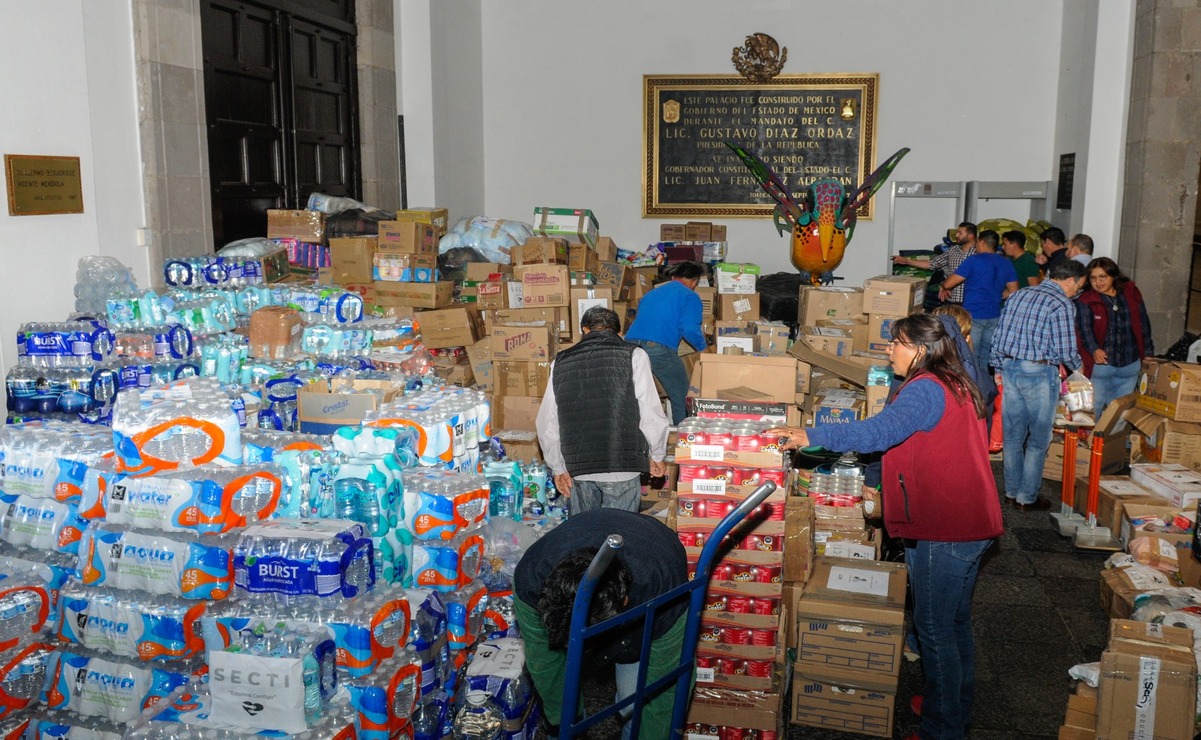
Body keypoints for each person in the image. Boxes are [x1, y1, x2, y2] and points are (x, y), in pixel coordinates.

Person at [765, 313, 1002, 740]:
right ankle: (949, 704)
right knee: (953, 623)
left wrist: (810, 435)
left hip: (947, 526)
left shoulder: (926, 388)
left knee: (934, 630)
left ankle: (942, 729)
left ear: (921, 350)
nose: (888, 349)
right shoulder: (952, 379)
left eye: (897, 343)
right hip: (966, 519)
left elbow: (880, 431)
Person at [514, 508, 689, 740]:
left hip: (651, 565)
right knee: (562, 714)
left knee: (634, 707)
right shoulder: (531, 579)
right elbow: (546, 666)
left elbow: (666, 691)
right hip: (582, 537)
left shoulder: (664, 588)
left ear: (625, 602)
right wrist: (566, 724)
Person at [537, 306, 669, 515]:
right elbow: (650, 411)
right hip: (622, 466)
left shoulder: (560, 361)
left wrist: (558, 467)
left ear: (585, 330)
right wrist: (658, 453)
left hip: (579, 468)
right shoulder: (634, 355)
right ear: (619, 333)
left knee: (585, 530)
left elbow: (547, 421)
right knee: (619, 530)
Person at [989, 259, 1087, 510]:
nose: (1077, 292)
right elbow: (1066, 349)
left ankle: (1011, 492)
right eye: (1078, 287)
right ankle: (1027, 497)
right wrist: (1079, 369)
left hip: (1011, 368)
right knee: (1038, 440)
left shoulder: (1019, 295)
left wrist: (998, 367)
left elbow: (999, 335)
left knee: (1013, 437)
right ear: (1070, 281)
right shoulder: (1061, 303)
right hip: (1039, 373)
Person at [624, 262, 707, 425]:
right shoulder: (689, 295)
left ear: (674, 277)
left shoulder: (651, 294)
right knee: (682, 396)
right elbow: (689, 328)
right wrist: (703, 349)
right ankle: (683, 435)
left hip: (630, 347)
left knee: (639, 396)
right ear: (694, 282)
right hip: (657, 348)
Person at [1076, 257, 1154, 417]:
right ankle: (1094, 435)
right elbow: (1085, 330)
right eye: (1093, 278)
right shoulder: (1086, 300)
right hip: (1101, 366)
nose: (1098, 282)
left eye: (1102, 277)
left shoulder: (1130, 294)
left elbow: (1143, 324)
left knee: (1121, 412)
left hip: (1130, 364)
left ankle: (1114, 435)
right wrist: (1094, 349)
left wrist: (1148, 353)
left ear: (1113, 276)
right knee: (1092, 409)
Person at [936, 230, 1018, 374]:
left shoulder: (973, 260)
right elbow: (1014, 291)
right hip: (994, 315)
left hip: (973, 314)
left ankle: (973, 383)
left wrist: (943, 285)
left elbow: (949, 283)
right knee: (988, 356)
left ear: (981, 242)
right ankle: (987, 382)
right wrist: (996, 295)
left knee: (970, 354)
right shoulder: (1006, 263)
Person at [894, 222, 977, 305]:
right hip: (951, 300)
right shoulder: (953, 250)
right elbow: (932, 264)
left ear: (970, 236)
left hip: (973, 301)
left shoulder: (978, 252)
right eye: (957, 232)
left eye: (960, 233)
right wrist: (907, 261)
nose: (956, 235)